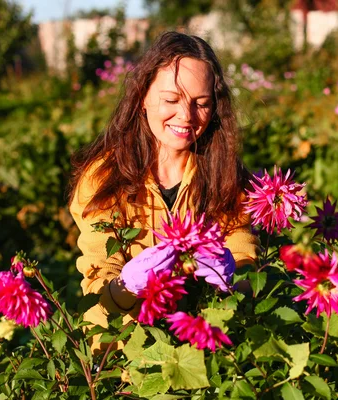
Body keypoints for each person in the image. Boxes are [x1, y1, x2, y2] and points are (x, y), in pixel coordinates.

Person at [68, 32, 259, 354]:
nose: (186, 116)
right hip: (124, 349)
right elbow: (98, 271)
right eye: (171, 100)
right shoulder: (104, 175)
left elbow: (241, 246)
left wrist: (234, 275)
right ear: (142, 96)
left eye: (201, 103)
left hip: (203, 344)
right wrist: (128, 287)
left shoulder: (223, 171)